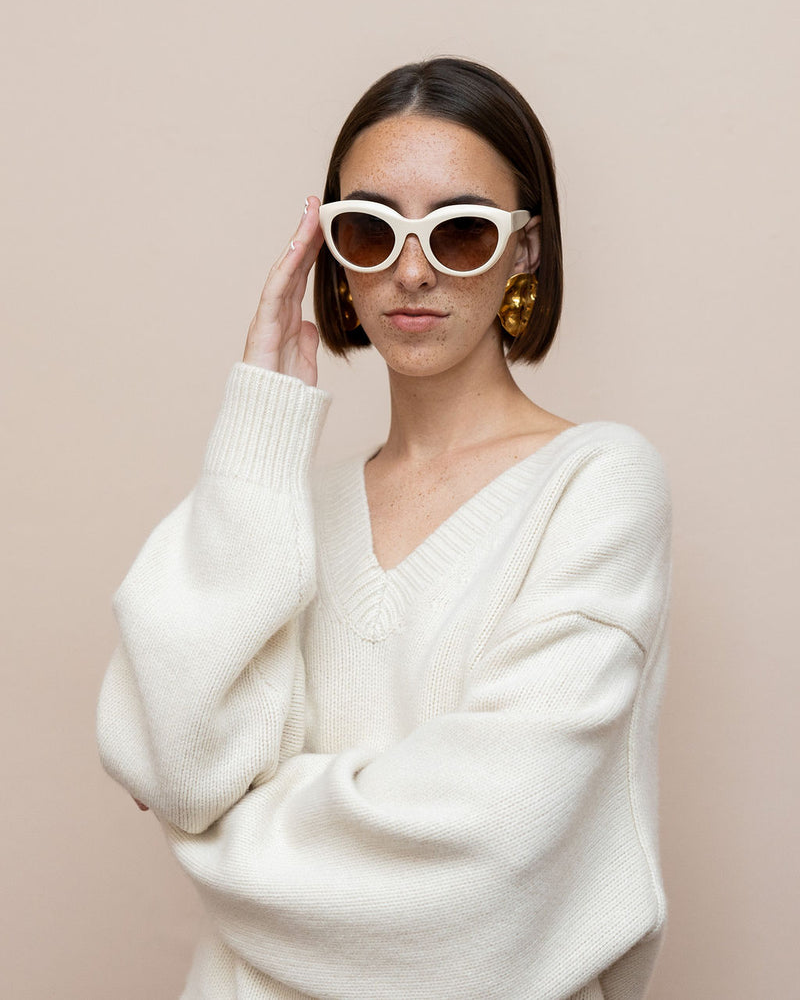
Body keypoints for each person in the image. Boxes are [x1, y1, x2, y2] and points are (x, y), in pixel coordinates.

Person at [97, 57, 672, 1000]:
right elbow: (181, 762)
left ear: (525, 249)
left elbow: (482, 860)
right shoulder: (285, 513)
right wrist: (262, 424)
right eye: (371, 229)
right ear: (332, 254)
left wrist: (222, 839)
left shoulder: (596, 484)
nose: (412, 269)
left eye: (462, 232)